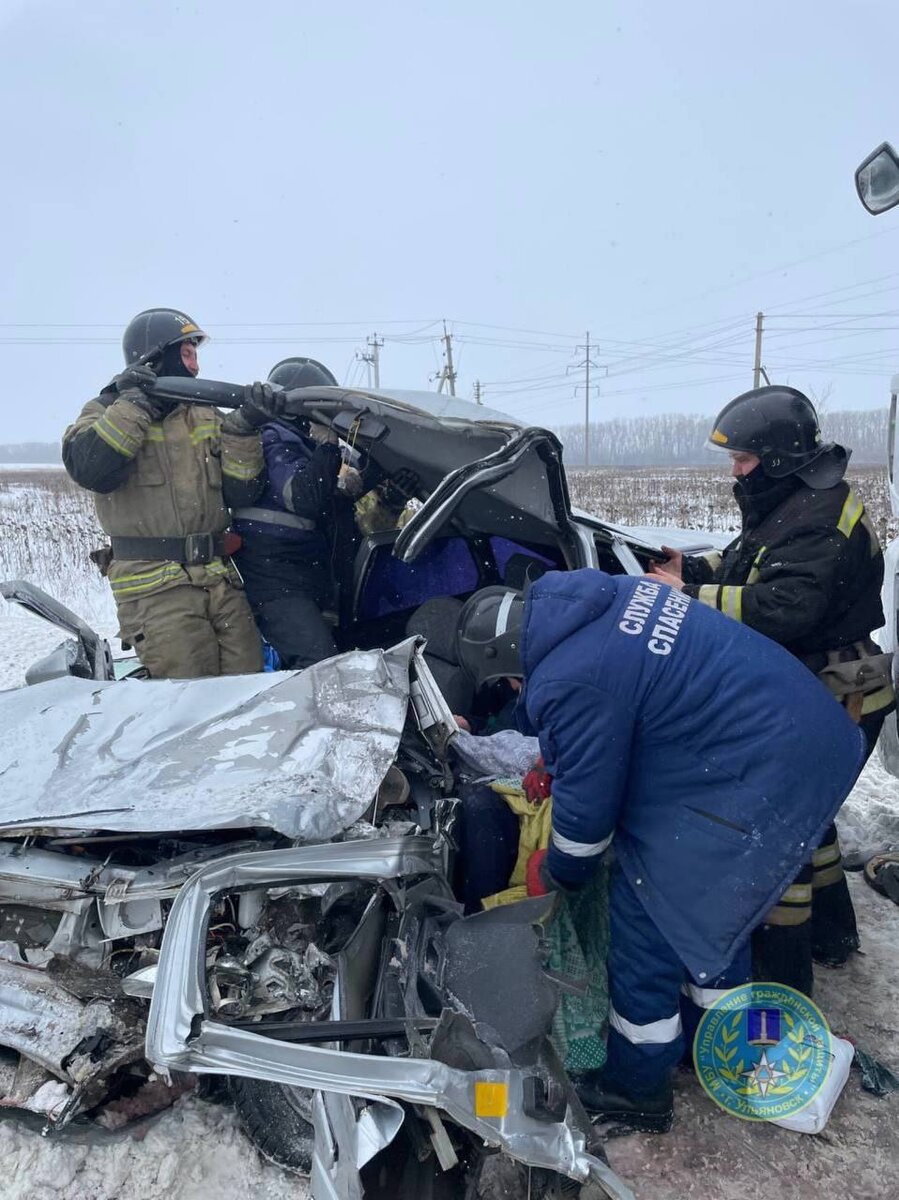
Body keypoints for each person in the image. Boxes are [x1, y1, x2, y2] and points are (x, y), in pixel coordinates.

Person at [455, 570, 866, 1131]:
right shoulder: (599, 603)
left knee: (648, 913)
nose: (514, 693)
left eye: (508, 682)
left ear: (511, 660)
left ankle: (637, 1085)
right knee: (709, 912)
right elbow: (628, 697)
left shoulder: (571, 677)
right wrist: (555, 762)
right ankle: (714, 1044)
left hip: (750, 769)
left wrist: (554, 873)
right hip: (793, 733)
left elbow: (588, 821)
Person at [649, 385, 894, 990]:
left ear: (779, 458)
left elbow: (786, 607)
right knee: (813, 824)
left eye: (743, 461)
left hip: (837, 693)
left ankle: (782, 981)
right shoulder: (794, 501)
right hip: (826, 687)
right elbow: (754, 564)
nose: (735, 471)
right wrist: (697, 569)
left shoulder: (814, 519)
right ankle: (834, 937)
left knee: (782, 835)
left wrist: (691, 598)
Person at [63, 307, 284, 679]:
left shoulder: (204, 414)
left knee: (248, 694)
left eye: (195, 355)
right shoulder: (105, 409)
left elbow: (242, 492)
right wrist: (136, 404)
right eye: (187, 354)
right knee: (189, 706)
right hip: (155, 588)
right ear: (155, 355)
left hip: (218, 580)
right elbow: (91, 468)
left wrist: (244, 429)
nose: (195, 368)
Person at [230, 357, 359, 669]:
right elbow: (303, 498)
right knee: (319, 665)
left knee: (333, 661)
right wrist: (328, 447)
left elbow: (327, 514)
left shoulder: (302, 445)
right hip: (274, 580)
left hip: (304, 577)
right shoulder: (274, 439)